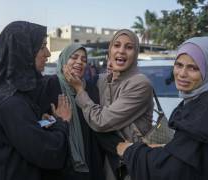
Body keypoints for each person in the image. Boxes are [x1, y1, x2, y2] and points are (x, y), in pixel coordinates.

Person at [117, 36, 208, 180]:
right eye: (179, 65)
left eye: (193, 68)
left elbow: (173, 169)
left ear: (207, 70)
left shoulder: (207, 110)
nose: (182, 74)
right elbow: (191, 153)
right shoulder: (204, 100)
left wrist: (130, 151)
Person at [0, 21, 72, 180]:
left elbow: (16, 136)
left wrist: (40, 123)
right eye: (42, 46)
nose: (48, 53)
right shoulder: (11, 103)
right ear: (23, 50)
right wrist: (61, 122)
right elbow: (48, 151)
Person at [64, 29, 154, 179]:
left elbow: (101, 121)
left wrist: (79, 90)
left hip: (131, 168)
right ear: (110, 50)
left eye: (129, 47)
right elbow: (84, 83)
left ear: (136, 53)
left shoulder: (140, 84)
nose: (121, 51)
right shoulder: (105, 80)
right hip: (108, 167)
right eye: (116, 45)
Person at [39, 44, 123, 180]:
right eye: (74, 57)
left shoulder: (89, 89)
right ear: (64, 60)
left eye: (84, 60)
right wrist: (55, 120)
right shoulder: (49, 85)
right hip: (60, 166)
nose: (79, 62)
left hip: (90, 162)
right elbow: (38, 124)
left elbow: (97, 121)